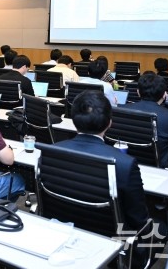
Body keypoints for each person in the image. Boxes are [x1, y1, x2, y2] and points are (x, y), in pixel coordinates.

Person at [54, 91, 155, 240]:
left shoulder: (53, 150)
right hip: (112, 240)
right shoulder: (125, 163)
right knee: (163, 227)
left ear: (73, 121)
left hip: (64, 230)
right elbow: (138, 219)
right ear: (109, 122)